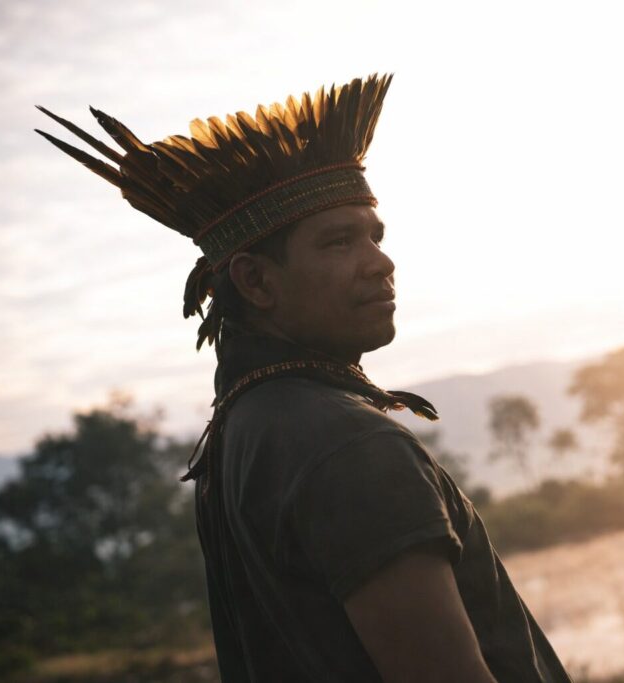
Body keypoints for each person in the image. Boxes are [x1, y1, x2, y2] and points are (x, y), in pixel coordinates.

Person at [36, 73, 574, 682]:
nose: (381, 261)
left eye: (375, 235)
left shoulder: (248, 427)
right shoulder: (348, 444)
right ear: (257, 281)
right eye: (339, 242)